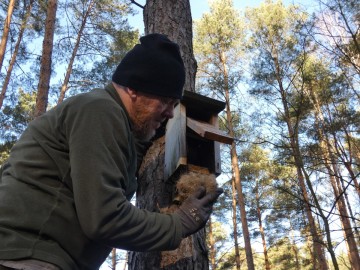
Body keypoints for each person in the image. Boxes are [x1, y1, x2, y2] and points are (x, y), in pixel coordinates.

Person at [0, 33, 223, 270]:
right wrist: (179, 223)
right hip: (25, 255)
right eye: (166, 102)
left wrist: (147, 135)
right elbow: (105, 218)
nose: (170, 114)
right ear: (135, 89)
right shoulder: (99, 110)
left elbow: (118, 160)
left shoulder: (112, 122)